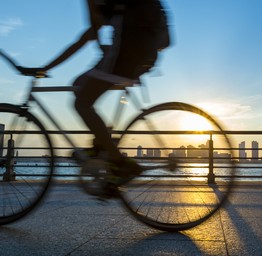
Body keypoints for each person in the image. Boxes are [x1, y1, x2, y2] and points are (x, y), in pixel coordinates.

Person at [22, 0, 170, 180]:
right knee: (79, 84)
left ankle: (119, 162)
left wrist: (46, 68)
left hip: (125, 53)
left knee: (82, 104)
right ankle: (102, 145)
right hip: (142, 54)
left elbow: (91, 30)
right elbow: (89, 35)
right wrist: (46, 68)